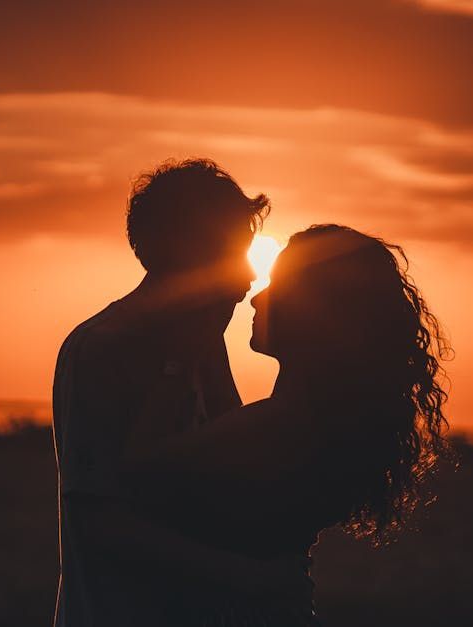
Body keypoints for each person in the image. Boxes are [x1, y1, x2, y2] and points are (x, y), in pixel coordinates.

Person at [119, 224, 453, 625]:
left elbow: (138, 467)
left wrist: (174, 362)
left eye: (277, 286)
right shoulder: (315, 421)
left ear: (312, 310)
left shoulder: (278, 426)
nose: (257, 298)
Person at [52, 159, 309, 627]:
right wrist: (249, 577)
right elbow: (98, 521)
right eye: (235, 251)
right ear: (190, 251)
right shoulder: (102, 348)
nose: (251, 277)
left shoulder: (201, 344)